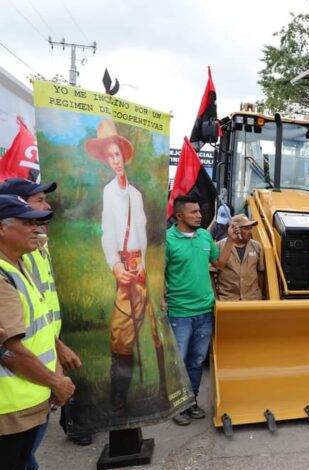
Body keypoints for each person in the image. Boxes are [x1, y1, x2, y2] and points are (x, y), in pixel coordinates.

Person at [0, 179, 83, 470]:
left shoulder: (20, 263)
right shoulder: (5, 275)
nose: (38, 227)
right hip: (12, 400)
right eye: (29, 221)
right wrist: (55, 382)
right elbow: (9, 350)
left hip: (29, 393)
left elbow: (38, 318)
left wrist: (57, 349)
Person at [84, 119, 169, 418]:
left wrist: (146, 267)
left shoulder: (136, 193)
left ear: (124, 154)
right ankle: (118, 399)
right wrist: (116, 265)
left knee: (155, 331)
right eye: (109, 156)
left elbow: (144, 237)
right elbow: (108, 233)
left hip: (144, 267)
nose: (115, 160)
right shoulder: (110, 192)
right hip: (126, 267)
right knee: (121, 333)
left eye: (117, 153)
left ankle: (163, 392)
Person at [165, 195, 237, 425]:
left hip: (205, 311)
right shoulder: (167, 240)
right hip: (179, 313)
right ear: (179, 216)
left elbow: (221, 265)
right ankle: (178, 406)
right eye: (193, 212)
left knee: (196, 361)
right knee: (180, 361)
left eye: (199, 211)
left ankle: (191, 402)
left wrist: (231, 241)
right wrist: (160, 299)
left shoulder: (205, 236)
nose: (199, 215)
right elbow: (158, 274)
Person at [215, 214, 265, 301]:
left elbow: (260, 272)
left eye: (251, 228)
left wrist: (260, 293)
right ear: (235, 229)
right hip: (228, 300)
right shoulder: (219, 246)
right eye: (246, 228)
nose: (250, 231)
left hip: (252, 300)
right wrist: (215, 297)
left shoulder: (257, 246)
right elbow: (212, 273)